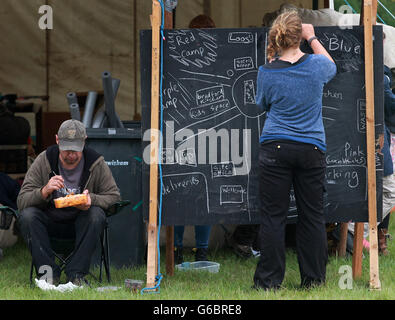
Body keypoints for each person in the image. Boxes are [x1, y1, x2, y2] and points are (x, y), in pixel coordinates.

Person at [252, 11, 336, 290]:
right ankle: (313, 281)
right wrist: (311, 37)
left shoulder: (267, 71)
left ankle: (268, 283)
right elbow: (331, 65)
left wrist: (273, 63)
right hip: (311, 147)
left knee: (273, 218)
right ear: (298, 35)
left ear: (277, 36)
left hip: (275, 147)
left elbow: (261, 105)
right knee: (311, 216)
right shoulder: (315, 66)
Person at [17, 119, 120, 285]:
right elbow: (21, 200)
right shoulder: (44, 160)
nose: (71, 155)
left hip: (82, 223)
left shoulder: (96, 162)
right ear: (57, 140)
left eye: (76, 150)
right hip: (49, 222)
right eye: (66, 150)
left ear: (84, 141)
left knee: (96, 214)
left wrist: (90, 199)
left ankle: (76, 275)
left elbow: (114, 196)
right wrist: (44, 191)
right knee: (28, 215)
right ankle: (48, 276)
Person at [173, 14, 216, 264]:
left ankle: (198, 250)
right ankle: (181, 249)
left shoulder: (216, 60)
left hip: (208, 135)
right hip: (186, 133)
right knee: (181, 192)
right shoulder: (178, 58)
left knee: (202, 194)